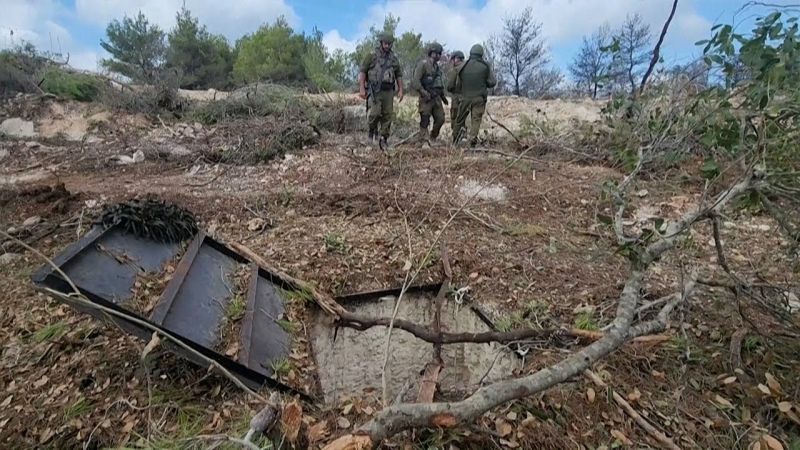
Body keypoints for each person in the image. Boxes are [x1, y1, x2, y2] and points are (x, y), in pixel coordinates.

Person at [359, 32, 404, 150]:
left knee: (387, 115)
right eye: (385, 44)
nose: (387, 46)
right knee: (374, 113)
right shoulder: (372, 56)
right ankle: (371, 131)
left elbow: (398, 74)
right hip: (375, 90)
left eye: (389, 44)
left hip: (388, 91)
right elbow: (363, 71)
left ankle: (384, 138)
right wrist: (362, 88)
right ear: (381, 43)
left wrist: (400, 90)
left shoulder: (393, 59)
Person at [450, 44, 496, 146]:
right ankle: (472, 141)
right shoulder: (485, 66)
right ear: (481, 54)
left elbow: (452, 83)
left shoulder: (462, 66)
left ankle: (455, 140)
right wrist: (483, 82)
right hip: (479, 98)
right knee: (476, 120)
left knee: (459, 119)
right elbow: (492, 82)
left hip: (465, 98)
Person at [412, 42, 447, 146]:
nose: (438, 56)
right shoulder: (423, 64)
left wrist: (443, 97)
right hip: (426, 97)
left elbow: (439, 84)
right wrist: (423, 92)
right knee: (425, 119)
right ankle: (424, 140)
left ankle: (433, 137)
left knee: (440, 119)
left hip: (436, 98)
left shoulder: (437, 68)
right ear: (431, 53)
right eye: (437, 53)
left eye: (440, 54)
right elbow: (416, 82)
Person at [446, 50, 465, 143]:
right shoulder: (468, 68)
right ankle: (464, 136)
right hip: (467, 97)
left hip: (456, 97)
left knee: (455, 117)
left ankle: (456, 139)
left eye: (453, 59)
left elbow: (450, 86)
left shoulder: (455, 69)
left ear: (456, 59)